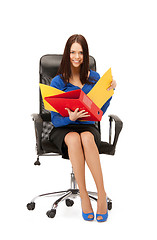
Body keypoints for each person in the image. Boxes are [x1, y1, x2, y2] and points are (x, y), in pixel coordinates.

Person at [49, 34, 116, 222]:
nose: (76, 57)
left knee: (86, 137)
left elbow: (100, 111)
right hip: (64, 128)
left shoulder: (94, 78)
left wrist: (109, 93)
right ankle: (84, 196)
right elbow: (54, 119)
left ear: (85, 55)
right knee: (73, 138)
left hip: (87, 126)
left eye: (80, 52)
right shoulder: (57, 82)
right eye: (72, 52)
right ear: (67, 54)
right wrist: (68, 117)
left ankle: (101, 195)